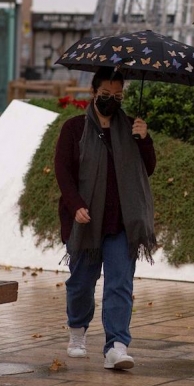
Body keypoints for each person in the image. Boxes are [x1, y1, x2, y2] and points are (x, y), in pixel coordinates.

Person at [54, 66, 157, 370]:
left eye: (118, 95)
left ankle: (116, 345)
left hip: (122, 221)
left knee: (119, 283)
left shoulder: (130, 128)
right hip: (86, 221)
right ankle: (76, 330)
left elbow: (146, 169)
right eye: (106, 95)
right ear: (93, 93)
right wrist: (75, 205)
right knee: (82, 282)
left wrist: (144, 139)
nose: (112, 100)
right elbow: (63, 171)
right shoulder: (74, 129)